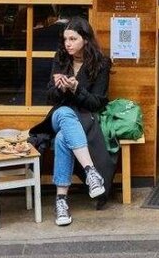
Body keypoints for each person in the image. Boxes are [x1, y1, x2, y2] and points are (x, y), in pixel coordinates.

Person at [29, 16, 113, 226]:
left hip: (85, 117)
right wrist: (59, 87)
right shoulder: (60, 58)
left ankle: (61, 201)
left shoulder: (101, 63)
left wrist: (77, 89)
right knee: (65, 113)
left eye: (73, 38)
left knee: (62, 140)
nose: (67, 43)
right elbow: (49, 96)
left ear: (85, 39)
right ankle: (91, 172)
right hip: (59, 114)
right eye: (66, 38)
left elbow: (97, 103)